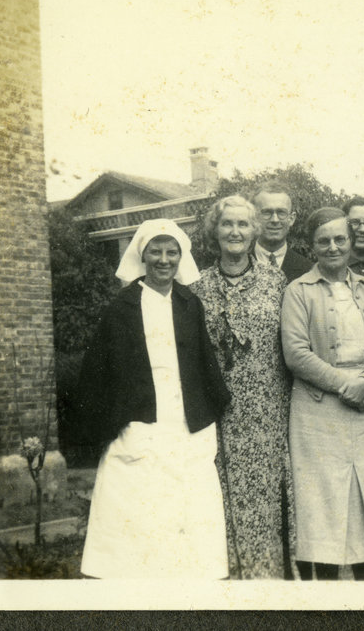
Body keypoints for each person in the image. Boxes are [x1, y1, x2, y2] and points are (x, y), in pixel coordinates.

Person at [67, 219, 231, 579]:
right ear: (142, 255)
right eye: (155, 251)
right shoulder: (121, 307)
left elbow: (205, 364)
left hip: (187, 425)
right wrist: (112, 422)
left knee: (188, 515)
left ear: (181, 256)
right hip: (139, 423)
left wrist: (210, 413)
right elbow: (99, 372)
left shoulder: (190, 303)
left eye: (172, 251)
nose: (163, 259)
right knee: (139, 515)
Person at [281, 207, 364, 581]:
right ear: (312, 246)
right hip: (317, 412)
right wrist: (345, 385)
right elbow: (296, 354)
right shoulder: (297, 291)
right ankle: (328, 603)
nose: (333, 247)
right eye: (324, 241)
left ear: (351, 242)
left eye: (340, 239)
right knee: (324, 506)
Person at [191, 195, 293, 579]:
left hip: (268, 416)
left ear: (254, 232)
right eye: (227, 224)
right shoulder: (197, 288)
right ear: (214, 232)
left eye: (243, 224)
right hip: (218, 417)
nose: (235, 231)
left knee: (267, 509)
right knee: (220, 506)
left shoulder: (276, 282)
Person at [252, 181, 313, 282]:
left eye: (281, 213)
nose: (275, 220)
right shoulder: (235, 264)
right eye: (267, 212)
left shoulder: (308, 270)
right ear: (254, 217)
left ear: (292, 219)